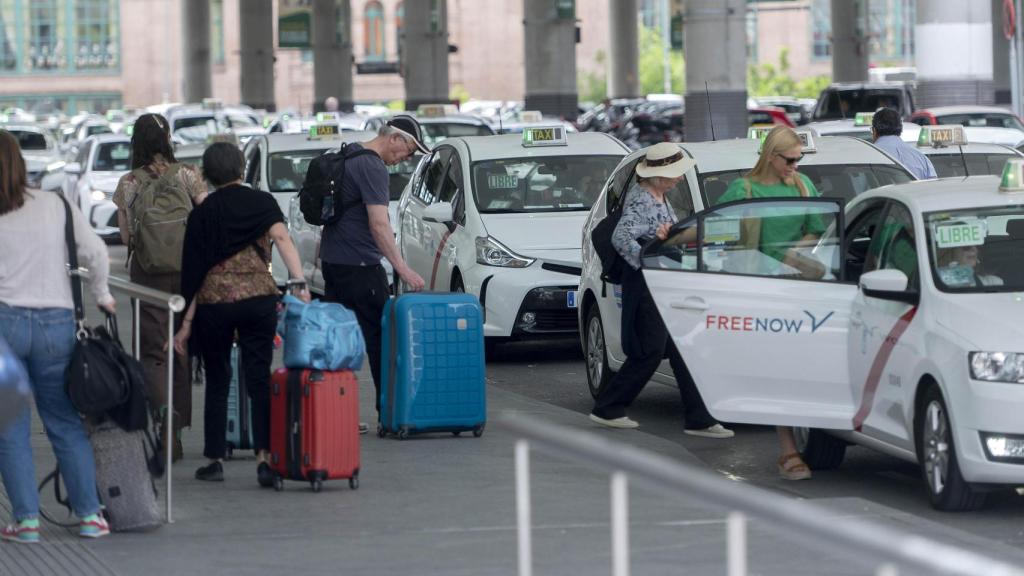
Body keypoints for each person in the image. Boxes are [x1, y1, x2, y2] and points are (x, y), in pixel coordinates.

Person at [173, 143, 310, 485]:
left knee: (218, 379)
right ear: (241, 167)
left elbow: (194, 272)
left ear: (206, 174)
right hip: (259, 300)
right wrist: (299, 282)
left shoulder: (202, 214)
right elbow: (282, 238)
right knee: (259, 377)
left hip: (214, 305)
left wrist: (185, 324)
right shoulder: (262, 202)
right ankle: (265, 458)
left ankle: (216, 458)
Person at [0, 129, 113, 542]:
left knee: (9, 427)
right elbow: (97, 253)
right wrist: (101, 294)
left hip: (4, 327)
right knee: (64, 422)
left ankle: (26, 522)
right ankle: (89, 516)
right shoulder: (56, 205)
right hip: (56, 324)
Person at [589, 142, 734, 440]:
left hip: (658, 284)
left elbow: (651, 233)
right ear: (657, 176)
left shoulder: (656, 195)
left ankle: (699, 418)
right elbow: (621, 238)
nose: (679, 178)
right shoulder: (643, 198)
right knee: (650, 352)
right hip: (647, 287)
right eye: (674, 174)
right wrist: (646, 262)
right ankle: (609, 407)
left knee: (680, 349)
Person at [719, 126, 826, 481]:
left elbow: (818, 227)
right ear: (771, 156)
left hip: (799, 288)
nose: (796, 166)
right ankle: (787, 450)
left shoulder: (802, 185)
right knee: (782, 368)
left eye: (799, 159)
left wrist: (794, 253)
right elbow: (718, 229)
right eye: (790, 160)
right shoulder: (743, 189)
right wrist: (672, 236)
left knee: (802, 367)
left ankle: (806, 441)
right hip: (761, 291)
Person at [113, 113, 208, 463]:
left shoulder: (128, 183)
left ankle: (161, 417)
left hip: (147, 275)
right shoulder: (187, 175)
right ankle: (178, 431)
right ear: (167, 138)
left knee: (154, 353)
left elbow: (125, 237)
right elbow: (207, 217)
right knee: (180, 348)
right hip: (186, 274)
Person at [319, 115, 429, 416]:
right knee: (381, 342)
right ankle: (388, 412)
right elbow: (379, 225)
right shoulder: (372, 166)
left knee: (338, 341)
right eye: (409, 150)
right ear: (395, 138)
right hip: (361, 267)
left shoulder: (348, 152)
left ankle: (335, 415)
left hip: (333, 262)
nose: (406, 158)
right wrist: (402, 269)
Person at [871, 107, 937, 180]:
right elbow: (932, 188)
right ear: (900, 131)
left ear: (874, 131)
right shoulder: (921, 158)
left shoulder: (867, 156)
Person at [936, 244, 1003, 287]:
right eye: (966, 246)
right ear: (951, 252)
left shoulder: (993, 282)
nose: (973, 249)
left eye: (977, 245)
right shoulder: (936, 282)